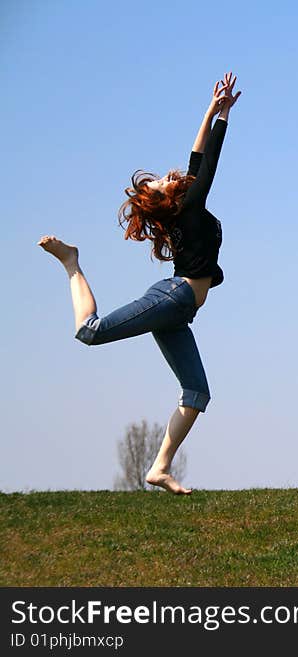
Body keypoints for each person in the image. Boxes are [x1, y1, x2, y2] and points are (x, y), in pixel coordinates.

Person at [38, 72, 243, 495]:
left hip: (180, 312)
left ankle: (159, 468)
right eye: (162, 183)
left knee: (196, 393)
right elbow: (209, 162)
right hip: (172, 298)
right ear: (168, 201)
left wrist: (212, 109)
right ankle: (72, 263)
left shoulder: (183, 207)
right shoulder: (186, 208)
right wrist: (223, 120)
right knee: (89, 332)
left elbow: (194, 158)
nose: (170, 177)